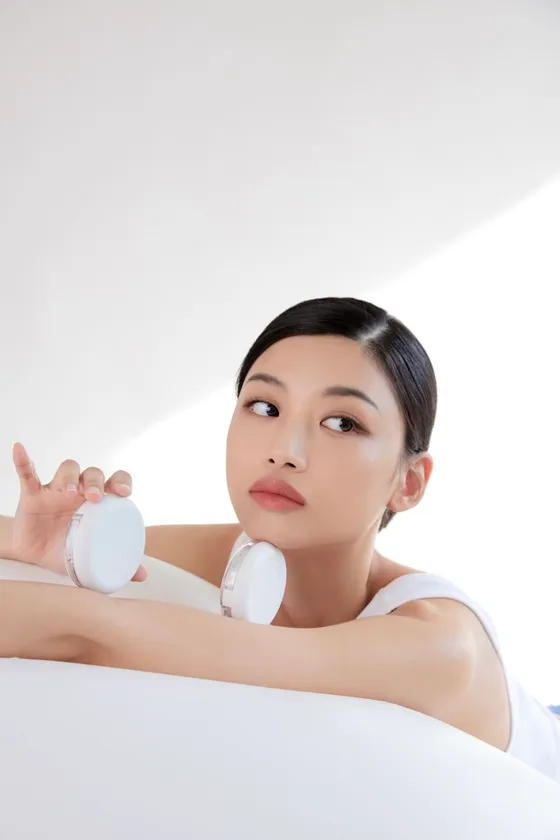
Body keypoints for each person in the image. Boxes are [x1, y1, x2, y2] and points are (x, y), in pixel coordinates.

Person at [0, 296, 558, 783]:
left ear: (408, 482)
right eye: (264, 407)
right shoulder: (238, 556)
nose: (284, 451)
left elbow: (95, 634)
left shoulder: (442, 648)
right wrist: (42, 543)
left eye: (342, 423)